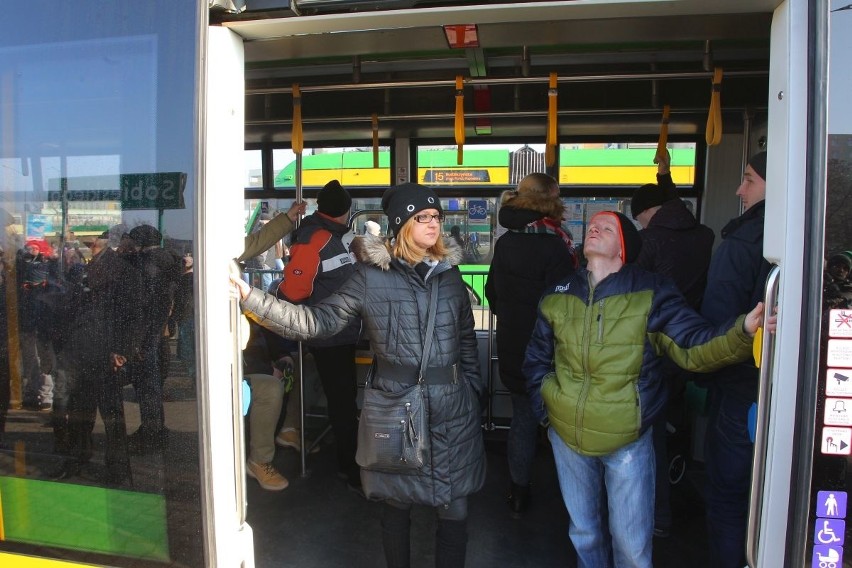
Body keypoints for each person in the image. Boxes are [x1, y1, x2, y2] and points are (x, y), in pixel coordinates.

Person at [232, 182, 486, 568]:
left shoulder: (449, 277)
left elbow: (466, 340)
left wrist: (472, 389)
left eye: (437, 216)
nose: (433, 223)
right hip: (397, 411)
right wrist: (253, 300)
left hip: (453, 412)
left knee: (455, 513)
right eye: (423, 217)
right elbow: (315, 322)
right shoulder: (370, 278)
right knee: (396, 507)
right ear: (403, 224)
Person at [523, 210, 771, 568]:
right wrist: (547, 411)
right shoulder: (557, 294)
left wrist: (741, 331)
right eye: (592, 225)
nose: (594, 228)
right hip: (567, 437)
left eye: (606, 227)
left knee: (632, 547)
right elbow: (536, 360)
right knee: (584, 534)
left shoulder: (651, 292)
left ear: (624, 246)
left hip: (626, 439)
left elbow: (691, 346)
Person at [630, 149, 715, 538]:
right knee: (675, 426)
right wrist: (665, 176)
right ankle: (678, 493)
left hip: (653, 350)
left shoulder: (648, 243)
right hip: (689, 341)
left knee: (648, 435)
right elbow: (672, 203)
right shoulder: (702, 235)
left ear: (647, 213)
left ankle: (656, 514)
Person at [484, 172, 578, 517]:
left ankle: (519, 491)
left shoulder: (506, 241)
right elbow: (567, 305)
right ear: (552, 199)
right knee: (565, 424)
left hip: (513, 344)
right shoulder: (557, 243)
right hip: (552, 351)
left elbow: (491, 293)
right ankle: (574, 499)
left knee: (523, 418)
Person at [700, 151, 772, 568]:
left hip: (742, 390)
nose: (739, 189)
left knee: (727, 498)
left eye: (749, 180)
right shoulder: (812, 234)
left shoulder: (741, 244)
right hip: (781, 392)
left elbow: (717, 321)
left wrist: (706, 377)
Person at [278, 180, 362, 493]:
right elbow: (293, 290)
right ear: (346, 210)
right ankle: (349, 468)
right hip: (328, 333)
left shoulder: (339, 237)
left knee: (345, 399)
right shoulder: (314, 238)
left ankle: (349, 459)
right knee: (342, 403)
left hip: (344, 331)